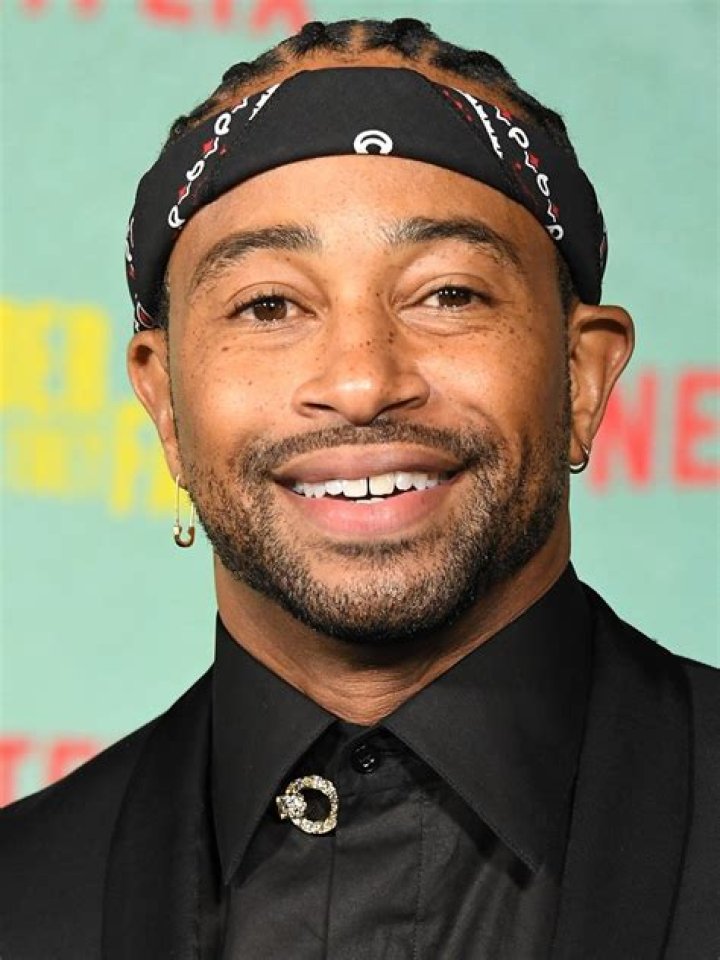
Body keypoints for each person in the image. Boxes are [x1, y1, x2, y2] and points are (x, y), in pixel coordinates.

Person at [1, 17, 717, 960]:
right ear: (165, 403)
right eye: (268, 305)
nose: (361, 381)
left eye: (449, 294)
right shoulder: (20, 895)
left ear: (581, 378)